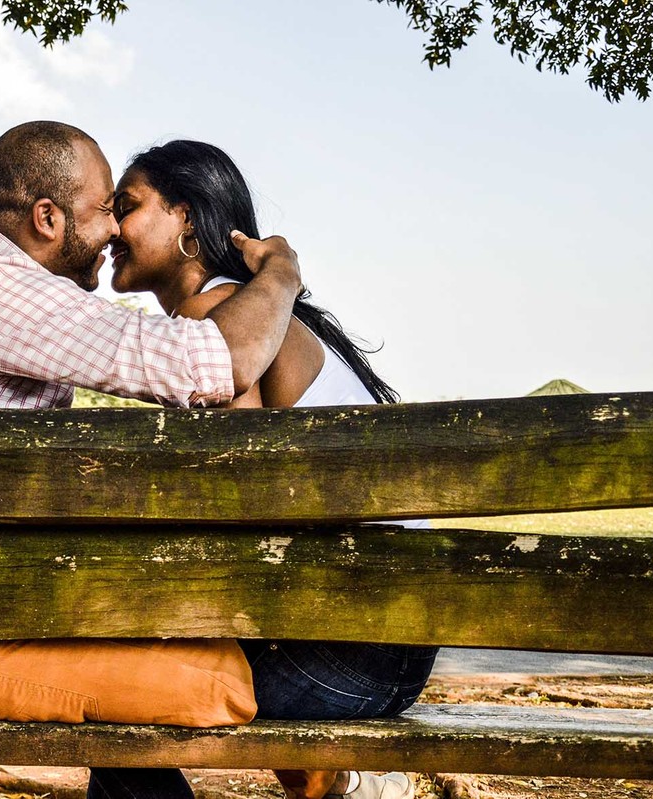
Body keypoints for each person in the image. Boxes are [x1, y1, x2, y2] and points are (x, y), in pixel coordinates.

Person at [0, 120, 306, 767]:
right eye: (106, 211)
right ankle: (335, 779)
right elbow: (213, 362)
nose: (115, 230)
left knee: (181, 640)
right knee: (221, 682)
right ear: (47, 217)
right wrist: (285, 273)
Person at [98, 139, 441, 799]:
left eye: (129, 207)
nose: (112, 226)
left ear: (188, 220)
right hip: (387, 645)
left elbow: (239, 501)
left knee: (114, 684)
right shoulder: (255, 310)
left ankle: (338, 780)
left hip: (351, 659)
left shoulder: (217, 321)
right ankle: (339, 783)